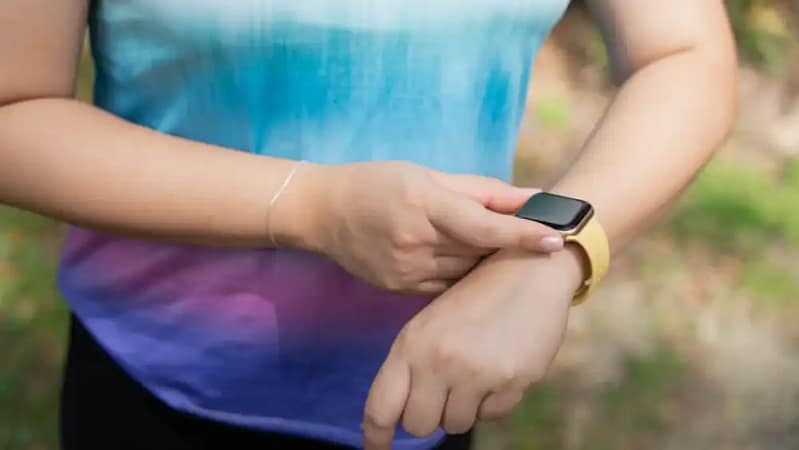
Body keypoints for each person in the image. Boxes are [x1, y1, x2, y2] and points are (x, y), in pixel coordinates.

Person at [0, 1, 737, 449]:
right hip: (155, 385)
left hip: (435, 387)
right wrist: (313, 207)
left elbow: (682, 53)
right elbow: (13, 112)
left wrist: (551, 255)